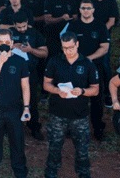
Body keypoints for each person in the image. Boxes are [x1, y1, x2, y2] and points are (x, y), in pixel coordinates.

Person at [42, 32, 100, 178]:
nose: (68, 51)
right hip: (58, 114)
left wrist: (81, 91)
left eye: (70, 47)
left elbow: (95, 90)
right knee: (54, 147)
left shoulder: (87, 64)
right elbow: (46, 84)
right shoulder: (54, 61)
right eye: (64, 48)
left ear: (77, 44)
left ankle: (83, 173)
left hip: (79, 116)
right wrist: (57, 90)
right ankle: (51, 171)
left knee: (82, 149)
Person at [0, 29, 32, 178]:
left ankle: (20, 172)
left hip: (14, 111)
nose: (4, 44)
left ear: (12, 43)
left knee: (17, 144)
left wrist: (26, 107)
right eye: (1, 42)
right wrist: (0, 61)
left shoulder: (20, 61)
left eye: (7, 42)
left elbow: (25, 86)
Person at [65, 0, 111, 140]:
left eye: (88, 8)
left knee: (97, 99)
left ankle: (97, 129)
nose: (86, 10)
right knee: (73, 96)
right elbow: (66, 44)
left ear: (93, 10)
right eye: (83, 8)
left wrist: (89, 58)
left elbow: (104, 47)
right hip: (75, 66)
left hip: (94, 66)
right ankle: (71, 128)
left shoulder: (100, 26)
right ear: (79, 9)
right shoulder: (73, 25)